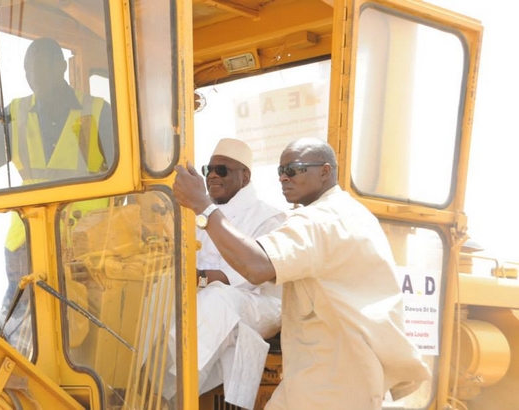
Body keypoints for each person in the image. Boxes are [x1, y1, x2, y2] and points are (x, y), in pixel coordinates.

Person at [173, 137, 431, 409]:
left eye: (294, 170)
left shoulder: (321, 221)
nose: (284, 178)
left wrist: (203, 206)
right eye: (281, 171)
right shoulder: (350, 213)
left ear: (325, 171)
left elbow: (256, 267)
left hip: (334, 375)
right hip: (323, 368)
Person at [0, 37, 114, 351]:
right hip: (27, 237)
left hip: (86, 241)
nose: (34, 76)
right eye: (28, 70)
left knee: (84, 333)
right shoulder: (17, 112)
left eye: (41, 67)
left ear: (61, 67)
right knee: (18, 324)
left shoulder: (96, 112)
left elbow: (124, 171)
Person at [163, 138, 285, 409]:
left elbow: (249, 275)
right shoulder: (195, 215)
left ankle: (172, 391)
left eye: (222, 170)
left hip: (260, 303)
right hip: (204, 298)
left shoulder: (269, 217)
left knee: (219, 298)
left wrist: (197, 277)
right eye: (209, 170)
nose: (213, 176)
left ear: (245, 177)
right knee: (156, 293)